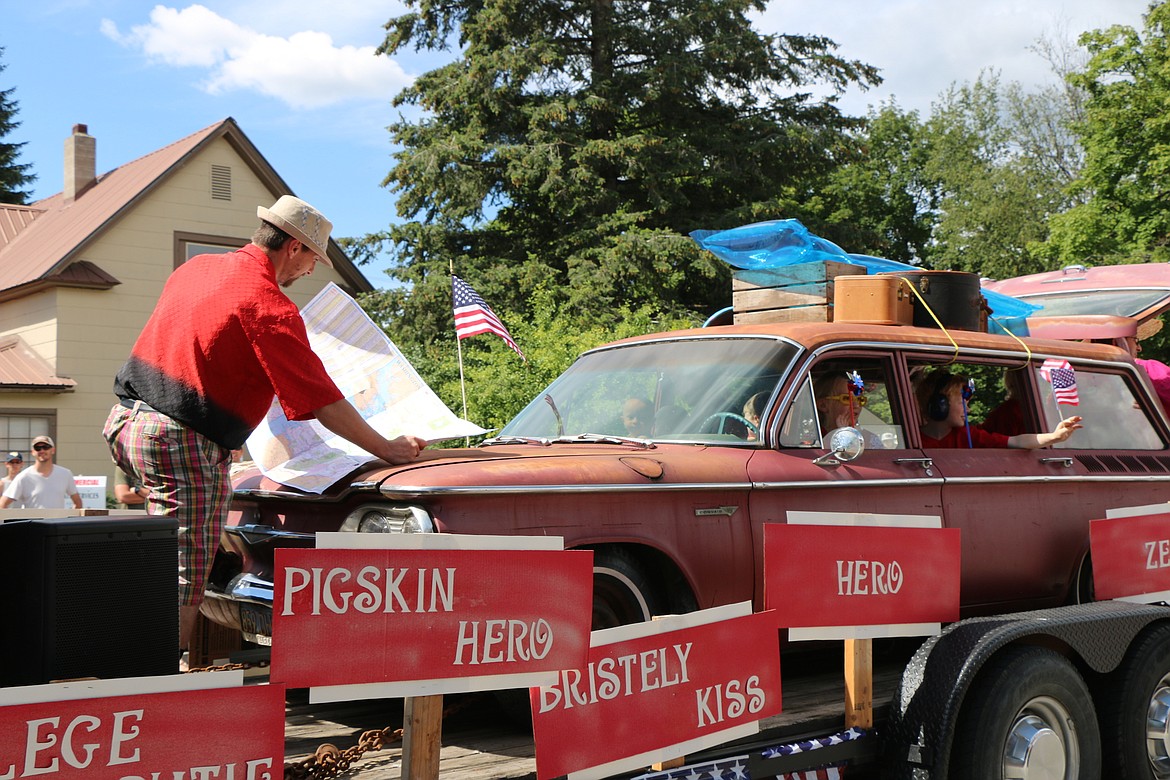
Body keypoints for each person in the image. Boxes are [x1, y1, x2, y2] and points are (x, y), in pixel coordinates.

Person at [102, 195, 428, 656]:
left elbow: (203, 351)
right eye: (313, 257)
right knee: (184, 572)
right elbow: (323, 402)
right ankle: (148, 692)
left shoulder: (194, 269)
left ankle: (131, 659)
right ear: (293, 247)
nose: (312, 270)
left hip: (126, 423)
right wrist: (388, 449)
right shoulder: (266, 305)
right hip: (178, 438)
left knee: (162, 555)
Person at [915, 369, 1082, 448]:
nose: (969, 410)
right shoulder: (913, 440)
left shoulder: (969, 435)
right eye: (962, 402)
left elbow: (1016, 441)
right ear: (940, 405)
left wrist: (1054, 437)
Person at [0, 436, 83, 509]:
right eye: (37, 448)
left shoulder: (65, 474)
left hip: (57, 525)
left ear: (53, 450)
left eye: (46, 447)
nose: (42, 450)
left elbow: (77, 502)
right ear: (33, 452)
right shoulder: (24, 477)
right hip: (34, 526)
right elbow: (2, 504)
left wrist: (70, 522)